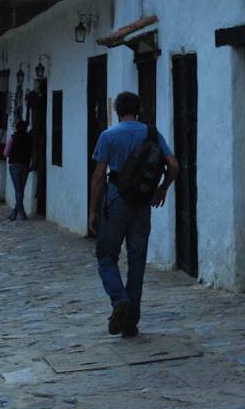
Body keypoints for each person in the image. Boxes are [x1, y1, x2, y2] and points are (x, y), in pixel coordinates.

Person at [89, 91, 179, 338]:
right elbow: (173, 165)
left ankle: (119, 301)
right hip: (141, 205)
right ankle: (130, 323)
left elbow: (99, 176)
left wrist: (93, 210)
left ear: (117, 111)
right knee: (137, 262)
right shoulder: (151, 133)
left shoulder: (108, 136)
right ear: (138, 109)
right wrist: (162, 189)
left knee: (107, 256)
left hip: (116, 203)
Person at [4, 119, 33, 221]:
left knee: (18, 190)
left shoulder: (12, 138)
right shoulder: (29, 138)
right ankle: (17, 213)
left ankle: (19, 213)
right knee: (21, 190)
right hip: (25, 165)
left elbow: (6, 153)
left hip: (14, 166)